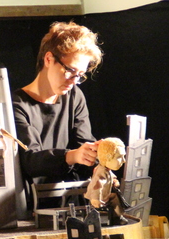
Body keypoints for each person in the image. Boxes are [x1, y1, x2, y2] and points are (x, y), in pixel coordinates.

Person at [12, 21, 103, 207]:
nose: (74, 81)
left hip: (71, 202)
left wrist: (98, 165)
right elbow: (30, 160)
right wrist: (73, 155)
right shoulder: (16, 104)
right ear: (49, 59)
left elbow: (83, 142)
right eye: (70, 71)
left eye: (80, 75)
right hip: (31, 207)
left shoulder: (75, 96)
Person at [84, 137, 129, 225]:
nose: (124, 160)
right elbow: (97, 186)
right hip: (99, 198)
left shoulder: (106, 170)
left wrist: (114, 181)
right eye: (119, 157)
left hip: (105, 196)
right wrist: (96, 199)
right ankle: (117, 217)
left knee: (116, 197)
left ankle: (118, 216)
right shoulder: (101, 172)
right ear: (108, 157)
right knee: (115, 199)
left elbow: (111, 177)